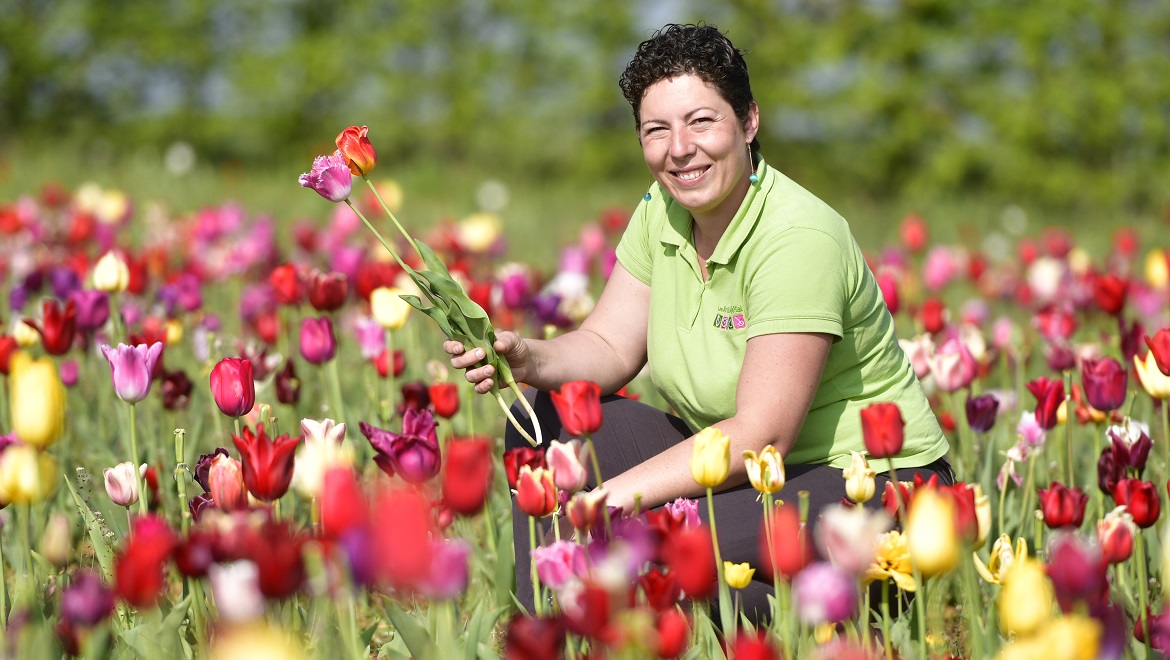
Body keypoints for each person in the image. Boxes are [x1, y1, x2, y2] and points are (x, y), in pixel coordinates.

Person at [445, 23, 951, 619]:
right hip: (744, 472)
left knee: (656, 545)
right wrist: (528, 359)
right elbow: (608, 345)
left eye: (701, 121)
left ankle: (851, 602)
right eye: (656, 129)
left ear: (749, 121)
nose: (679, 148)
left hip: (864, 481)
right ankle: (546, 629)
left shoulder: (796, 238)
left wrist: (611, 499)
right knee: (544, 417)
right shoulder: (662, 209)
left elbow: (764, 434)